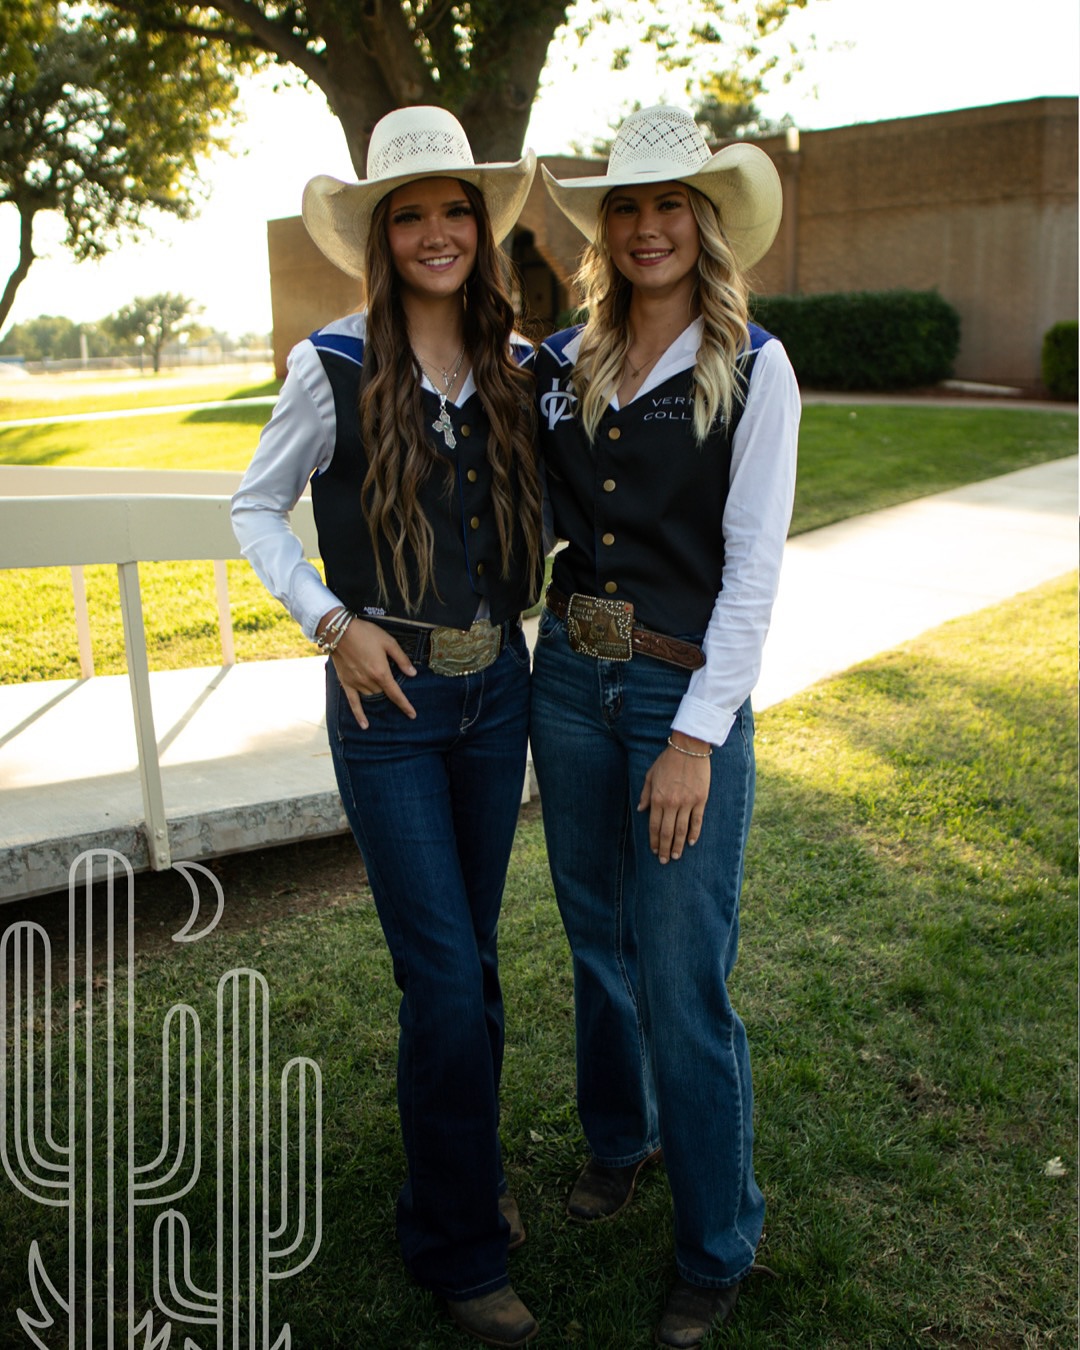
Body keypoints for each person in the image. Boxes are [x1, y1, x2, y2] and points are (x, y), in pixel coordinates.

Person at [231, 106, 544, 1349]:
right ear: (380, 236)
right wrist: (328, 620)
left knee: (471, 964)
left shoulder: (516, 363)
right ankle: (460, 1250)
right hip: (388, 701)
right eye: (408, 214)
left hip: (498, 691)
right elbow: (256, 509)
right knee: (440, 977)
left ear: (481, 226)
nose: (434, 232)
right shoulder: (335, 363)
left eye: (452, 209)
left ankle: (455, 1180)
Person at [529, 104, 799, 1349]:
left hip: (679, 700)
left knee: (683, 973)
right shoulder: (567, 363)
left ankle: (717, 1236)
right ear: (606, 230)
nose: (647, 227)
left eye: (669, 205)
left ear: (705, 223)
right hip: (566, 689)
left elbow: (751, 575)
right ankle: (618, 1139)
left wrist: (695, 736)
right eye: (626, 207)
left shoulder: (756, 366)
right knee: (597, 941)